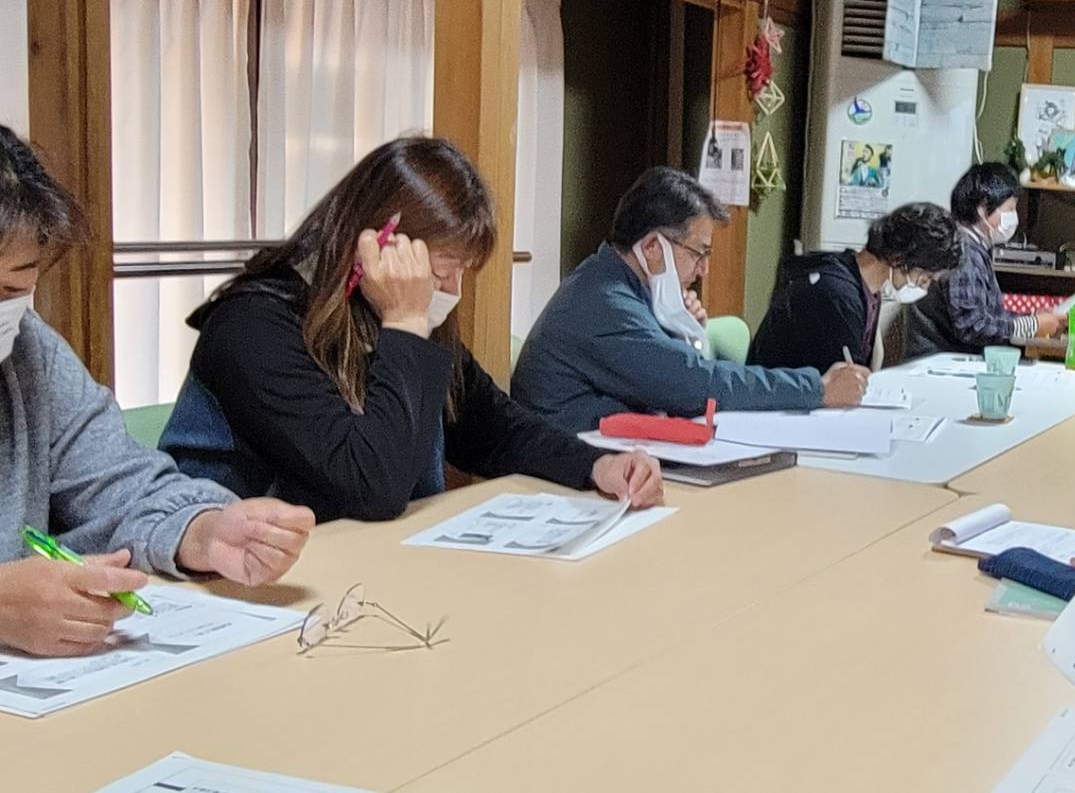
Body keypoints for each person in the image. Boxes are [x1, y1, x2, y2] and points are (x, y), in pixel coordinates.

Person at [159, 138, 663, 523]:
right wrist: (403, 322)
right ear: (381, 248)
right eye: (442, 269)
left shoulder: (398, 317)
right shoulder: (253, 325)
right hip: (243, 585)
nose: (451, 289)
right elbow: (370, 486)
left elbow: (492, 427)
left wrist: (596, 465)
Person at [0, 126, 314, 657]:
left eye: (14, 288)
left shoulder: (29, 352)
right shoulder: (254, 323)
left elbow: (119, 482)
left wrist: (203, 531)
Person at [513, 167, 868, 433]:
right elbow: (695, 385)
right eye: (699, 253)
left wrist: (679, 328)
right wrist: (816, 389)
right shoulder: (605, 304)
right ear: (652, 248)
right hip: (566, 476)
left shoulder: (615, 283)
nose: (703, 270)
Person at [747, 202, 961, 372]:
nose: (925, 286)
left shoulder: (865, 287)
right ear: (900, 259)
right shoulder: (837, 295)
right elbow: (843, 383)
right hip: (779, 406)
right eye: (925, 277)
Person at [904, 162, 1063, 358]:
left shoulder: (969, 246)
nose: (1013, 217)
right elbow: (972, 326)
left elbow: (988, 315)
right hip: (939, 360)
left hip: (950, 357)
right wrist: (1032, 325)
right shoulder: (962, 254)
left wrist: (1032, 319)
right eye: (1009, 209)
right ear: (982, 209)